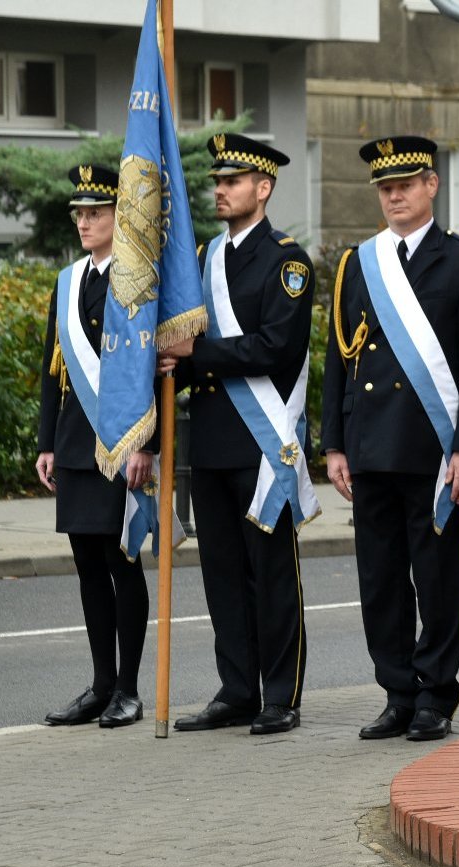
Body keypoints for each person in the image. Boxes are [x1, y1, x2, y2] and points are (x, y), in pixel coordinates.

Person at [321, 136, 459, 743]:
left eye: (405, 183)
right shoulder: (358, 264)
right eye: (384, 187)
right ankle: (397, 692)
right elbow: (336, 360)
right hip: (371, 449)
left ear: (431, 185)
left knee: (437, 579)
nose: (394, 195)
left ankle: (435, 696)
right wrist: (335, 444)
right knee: (380, 581)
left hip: (435, 452)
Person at [160, 133, 318, 736]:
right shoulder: (203, 259)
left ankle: (280, 694)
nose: (220, 190)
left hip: (261, 442)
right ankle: (237, 688)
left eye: (232, 181)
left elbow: (276, 348)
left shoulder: (287, 261)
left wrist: (193, 355)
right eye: (217, 182)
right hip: (212, 442)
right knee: (221, 572)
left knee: (271, 572)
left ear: (263, 188)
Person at [38, 164, 155, 729]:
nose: (85, 222)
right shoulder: (67, 281)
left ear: (118, 217)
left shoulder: (136, 281)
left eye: (96, 213)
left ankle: (129, 689)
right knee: (87, 563)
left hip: (119, 445)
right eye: (79, 214)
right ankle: (100, 684)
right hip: (74, 443)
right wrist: (46, 443)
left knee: (121, 560)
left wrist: (146, 446)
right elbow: (50, 368)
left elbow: (150, 371)